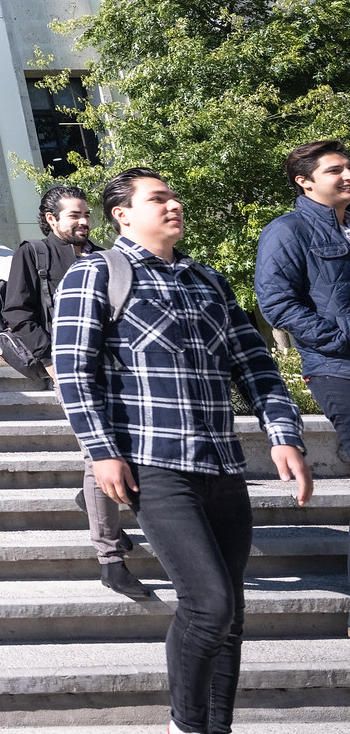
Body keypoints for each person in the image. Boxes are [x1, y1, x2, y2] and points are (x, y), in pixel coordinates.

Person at [54, 167, 312, 734]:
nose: (173, 204)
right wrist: (102, 452)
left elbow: (256, 366)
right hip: (154, 463)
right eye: (158, 198)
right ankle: (187, 725)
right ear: (122, 213)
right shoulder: (95, 274)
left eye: (173, 196)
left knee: (232, 616)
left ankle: (216, 728)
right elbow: (74, 373)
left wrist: (284, 434)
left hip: (222, 464)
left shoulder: (209, 280)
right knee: (209, 604)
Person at [4, 184, 148, 599]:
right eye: (74, 216)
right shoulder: (34, 252)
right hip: (69, 369)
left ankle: (97, 508)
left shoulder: (107, 257)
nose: (84, 221)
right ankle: (110, 559)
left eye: (86, 215)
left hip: (115, 371)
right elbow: (18, 310)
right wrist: (50, 360)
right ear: (52, 219)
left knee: (119, 452)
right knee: (97, 454)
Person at [256, 139, 350, 593]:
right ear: (305, 181)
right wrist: (338, 338)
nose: (347, 175)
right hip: (336, 369)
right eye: (336, 170)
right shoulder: (288, 230)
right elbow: (275, 302)